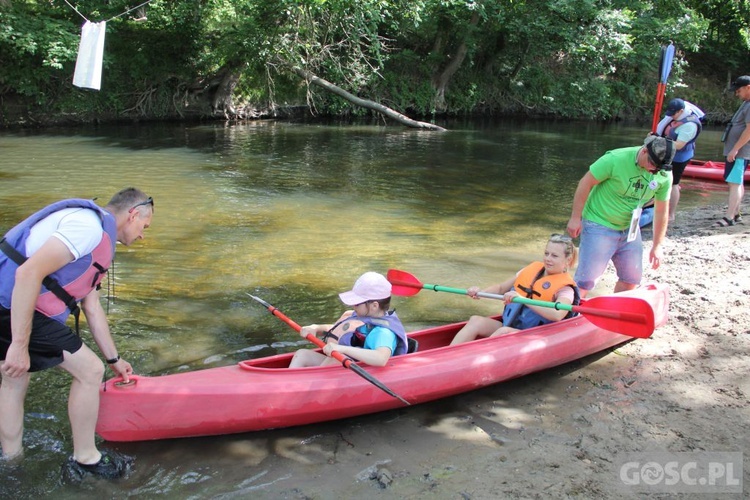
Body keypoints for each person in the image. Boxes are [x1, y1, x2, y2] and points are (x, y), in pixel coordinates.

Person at [0, 188, 154, 479]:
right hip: (10, 304)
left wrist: (114, 359)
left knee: (14, 378)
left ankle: (11, 463)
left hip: (5, 301)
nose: (143, 235)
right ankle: (86, 459)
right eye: (144, 227)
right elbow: (28, 274)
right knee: (89, 371)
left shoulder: (96, 233)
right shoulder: (87, 228)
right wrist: (20, 345)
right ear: (133, 214)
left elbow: (92, 308)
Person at [566, 135, 675, 297]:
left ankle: (614, 311)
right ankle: (571, 314)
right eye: (653, 164)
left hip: (629, 228)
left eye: (659, 168)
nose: (654, 170)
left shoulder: (663, 174)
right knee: (586, 280)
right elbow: (585, 182)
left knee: (631, 277)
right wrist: (576, 218)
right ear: (644, 151)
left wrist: (657, 245)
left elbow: (661, 211)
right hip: (599, 222)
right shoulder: (615, 159)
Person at [450, 234, 580, 345]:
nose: (548, 259)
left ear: (567, 259)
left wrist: (523, 299)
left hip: (537, 335)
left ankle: (471, 362)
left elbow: (557, 314)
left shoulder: (566, 288)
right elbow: (501, 288)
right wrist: (480, 293)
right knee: (475, 321)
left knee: (504, 332)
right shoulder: (531, 269)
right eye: (546, 253)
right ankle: (449, 356)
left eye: (554, 256)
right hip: (514, 326)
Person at [289, 272, 408, 368]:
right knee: (302, 354)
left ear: (374, 306)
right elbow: (339, 330)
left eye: (356, 303)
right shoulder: (358, 316)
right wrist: (316, 328)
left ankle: (306, 388)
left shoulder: (383, 332)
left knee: (334, 360)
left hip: (360, 372)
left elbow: (381, 359)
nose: (353, 306)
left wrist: (342, 348)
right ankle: (291, 384)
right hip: (343, 365)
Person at [655, 98, 703, 221]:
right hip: (667, 152)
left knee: (673, 183)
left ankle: (671, 214)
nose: (671, 116)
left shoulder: (690, 125)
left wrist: (658, 142)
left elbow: (679, 145)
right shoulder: (676, 116)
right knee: (659, 178)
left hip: (680, 157)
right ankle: (656, 206)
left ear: (681, 111)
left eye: (674, 114)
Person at [715, 75, 750, 227]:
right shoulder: (746, 103)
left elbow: (749, 130)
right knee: (735, 183)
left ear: (748, 87)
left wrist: (735, 150)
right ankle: (735, 214)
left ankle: (729, 217)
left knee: (734, 183)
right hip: (737, 151)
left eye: (739, 90)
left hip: (740, 152)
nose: (737, 93)